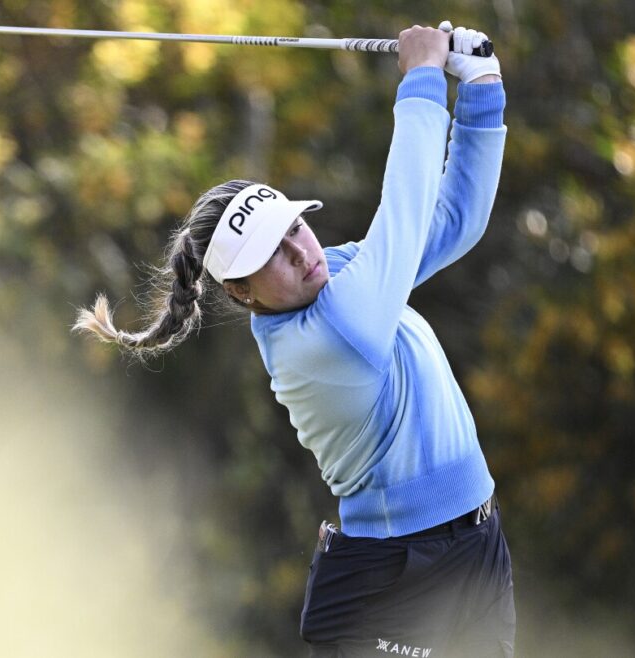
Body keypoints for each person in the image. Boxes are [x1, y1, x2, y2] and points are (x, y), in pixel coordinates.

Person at [75, 23, 514, 657]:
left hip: (477, 549)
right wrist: (420, 81)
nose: (301, 253)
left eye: (294, 229)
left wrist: (480, 89)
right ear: (241, 292)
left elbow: (450, 221)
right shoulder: (324, 339)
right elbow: (404, 212)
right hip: (394, 584)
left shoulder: (339, 274)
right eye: (272, 255)